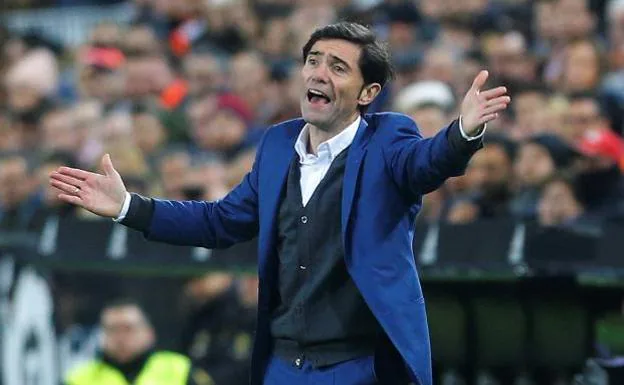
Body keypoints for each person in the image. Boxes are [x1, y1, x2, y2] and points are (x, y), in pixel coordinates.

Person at [50, 22, 510, 385]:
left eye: (338, 66)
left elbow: (427, 163)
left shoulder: (389, 138)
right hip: (283, 363)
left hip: (362, 364)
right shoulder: (276, 144)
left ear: (368, 93)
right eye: (313, 61)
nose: (319, 73)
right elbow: (221, 221)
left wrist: (463, 132)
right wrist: (130, 206)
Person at [64, 298, 214, 385]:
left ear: (149, 333)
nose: (120, 337)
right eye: (112, 330)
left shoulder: (178, 368)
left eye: (128, 329)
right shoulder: (80, 378)